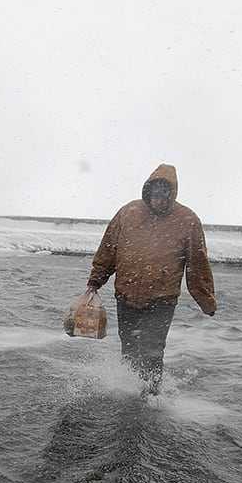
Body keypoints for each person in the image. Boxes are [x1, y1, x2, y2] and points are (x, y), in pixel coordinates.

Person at [84, 163, 216, 389]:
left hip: (161, 300)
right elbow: (109, 248)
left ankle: (153, 395)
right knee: (129, 348)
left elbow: (197, 262)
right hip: (126, 295)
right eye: (154, 195)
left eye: (164, 196)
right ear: (148, 192)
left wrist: (205, 299)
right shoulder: (129, 212)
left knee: (153, 350)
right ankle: (130, 392)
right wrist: (95, 281)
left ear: (171, 194)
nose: (159, 201)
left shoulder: (187, 220)